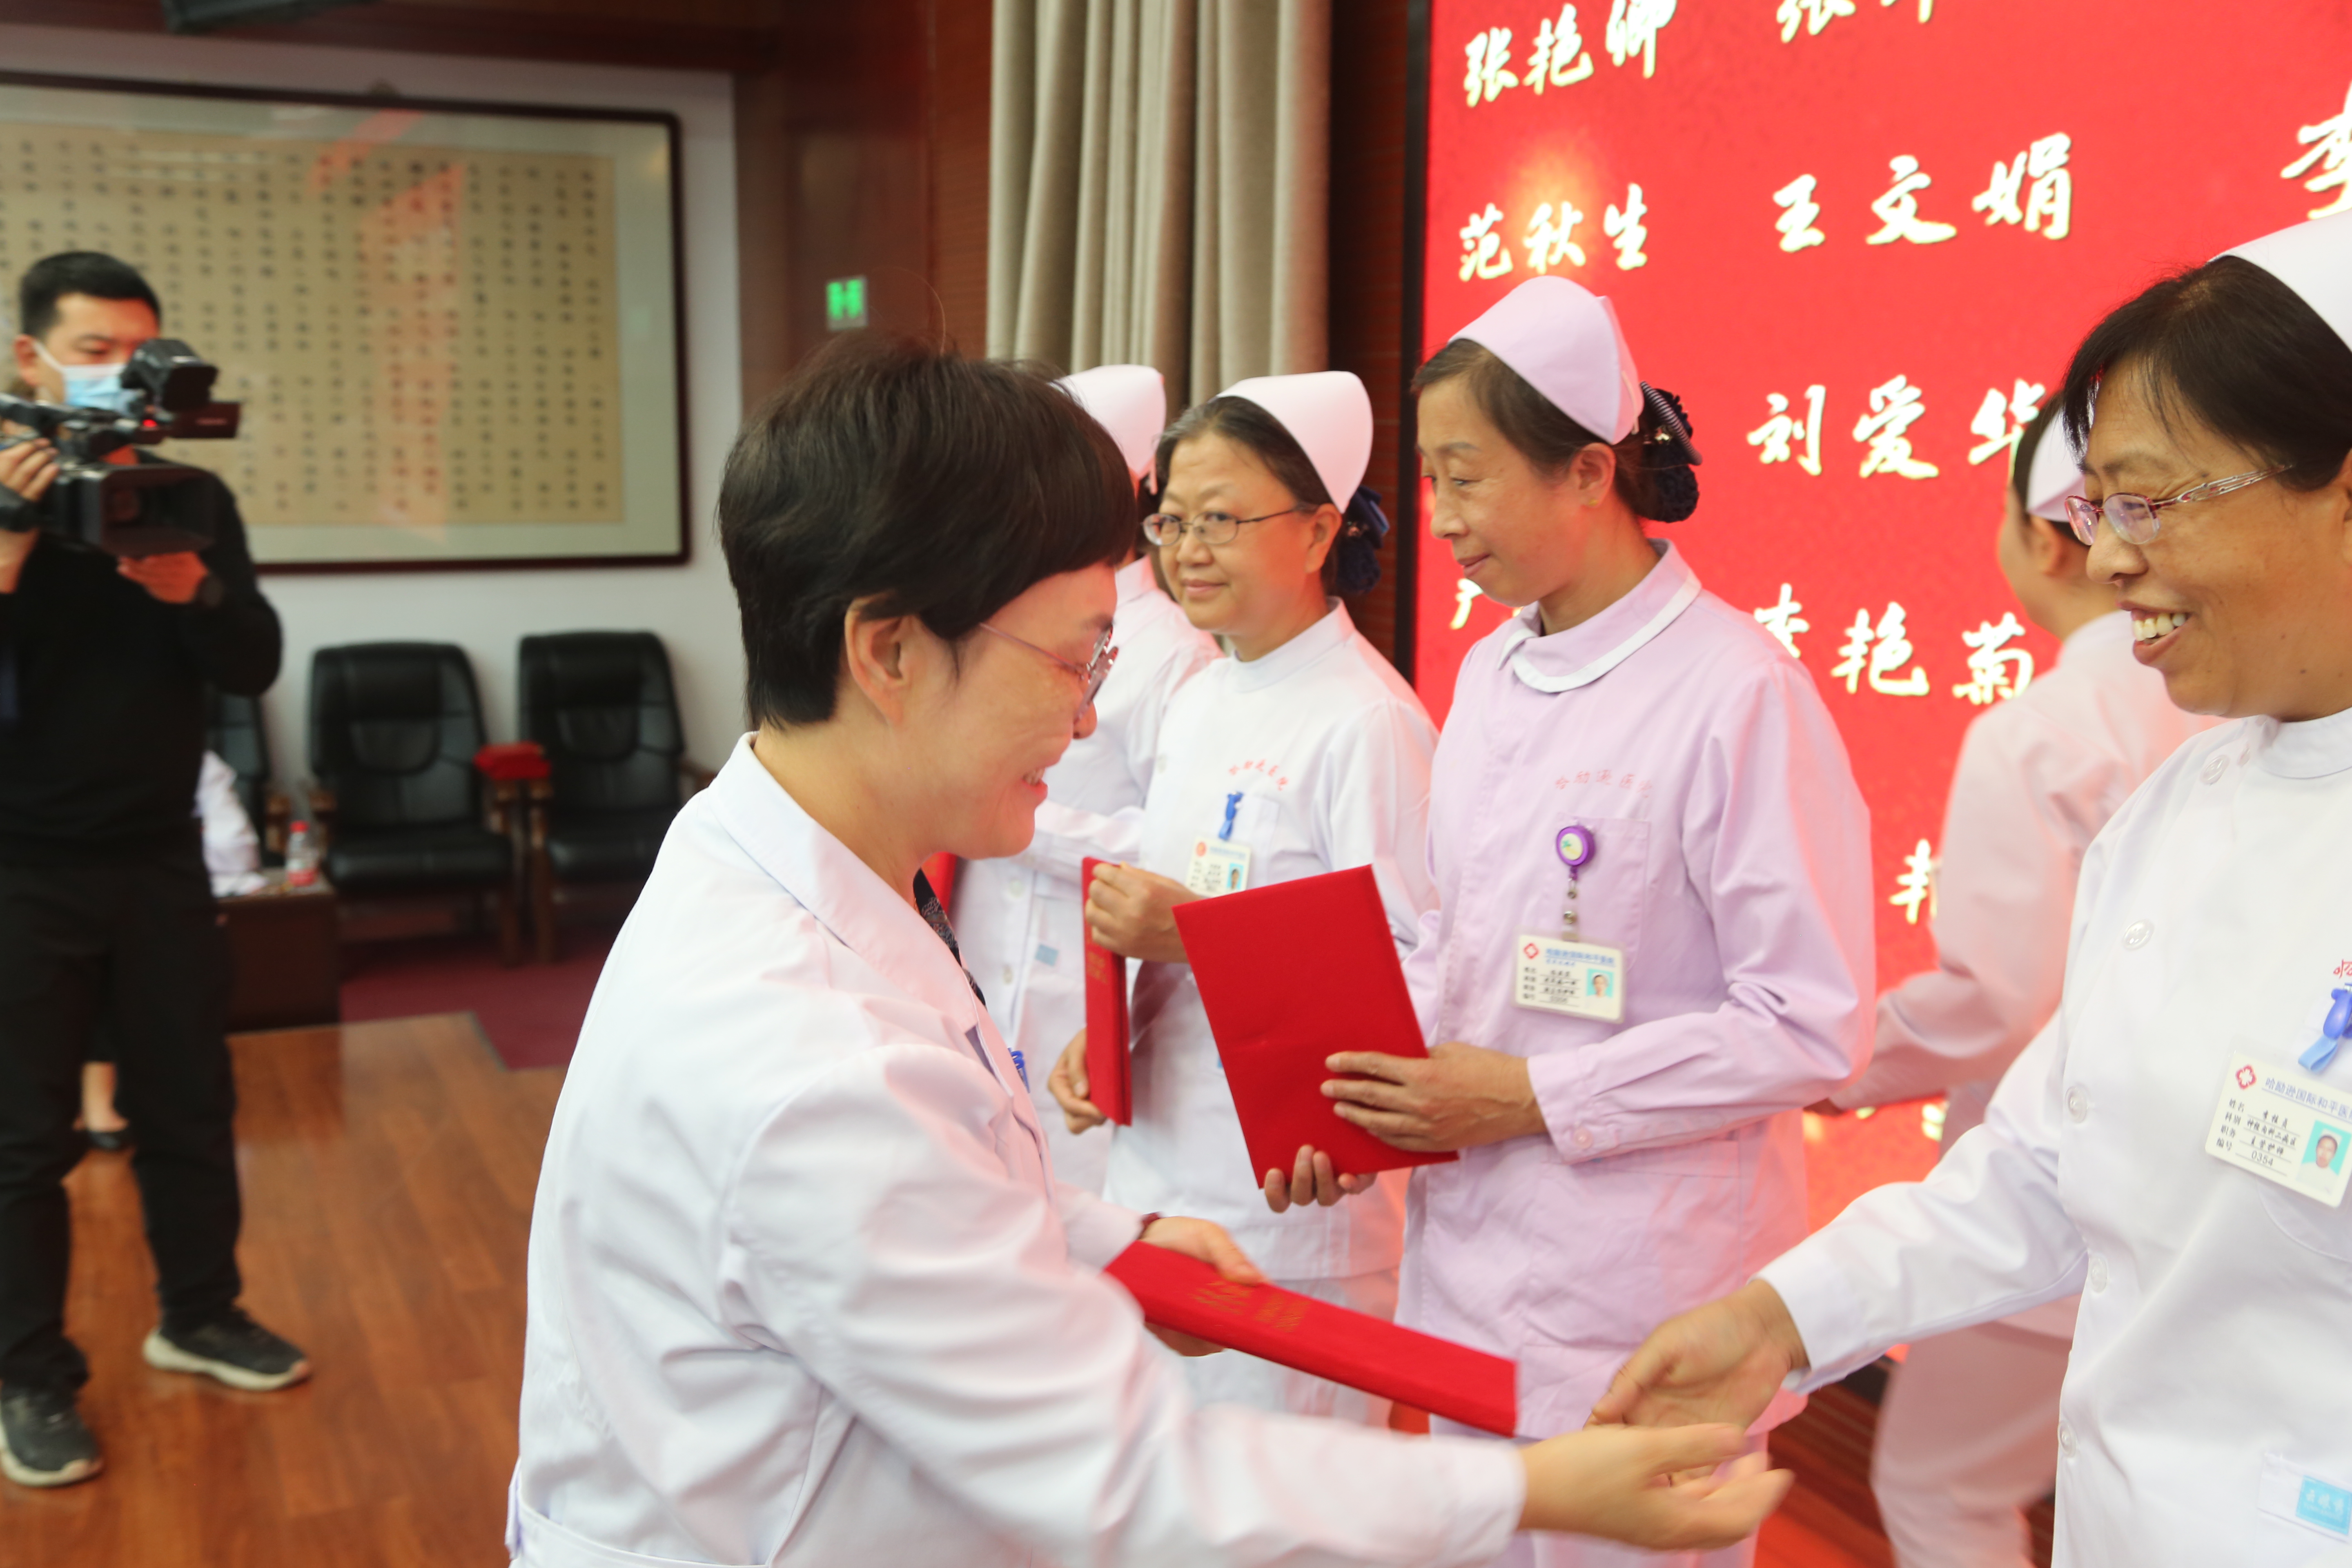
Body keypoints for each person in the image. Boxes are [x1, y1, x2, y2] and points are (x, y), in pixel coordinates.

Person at [510, 332, 1793, 1567]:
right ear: (890, 650)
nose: (1086, 719)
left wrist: (1097, 1240)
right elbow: (1124, 1474)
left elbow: (933, 1180)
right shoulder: (807, 1057)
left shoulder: (761, 854)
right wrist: (1534, 1486)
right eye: (1075, 658)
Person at [1592, 210, 2352, 1567]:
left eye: (2149, 502)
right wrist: (1783, 1316)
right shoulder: (2186, 803)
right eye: (2096, 509)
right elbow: (2049, 1158)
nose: (2107, 560)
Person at [1267, 275, 1873, 1568]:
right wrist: (1366, 1104)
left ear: (1590, 472)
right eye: (1430, 480)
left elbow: (1809, 1023)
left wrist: (1535, 1097)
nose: (1441, 519)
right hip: (1469, 1273)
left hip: (1645, 1299)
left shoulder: (1739, 692)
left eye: (1466, 478)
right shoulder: (1491, 669)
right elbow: (1455, 942)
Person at [1828, 404, 2212, 1568]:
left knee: (1938, 1488)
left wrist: (1823, 1063)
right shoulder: (2223, 702)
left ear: (2047, 537)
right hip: (2199, 1207)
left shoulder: (2040, 729)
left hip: (2052, 1202)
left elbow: (1991, 1005)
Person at [1047, 370, 1437, 1423]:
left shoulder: (1366, 722)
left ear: (1317, 531)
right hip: (1156, 1182)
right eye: (1171, 520)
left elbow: (1414, 974)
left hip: (1288, 1208)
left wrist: (1195, 934)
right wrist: (1111, 1035)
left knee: (1286, 1499)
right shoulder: (1205, 694)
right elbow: (1173, 920)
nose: (1187, 549)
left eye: (1219, 520)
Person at [0, 251, 307, 1490]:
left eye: (139, 352)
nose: (118, 373)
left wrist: (196, 590)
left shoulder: (188, 494)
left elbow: (254, 662)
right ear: (29, 358)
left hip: (160, 854)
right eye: (92, 350)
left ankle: (200, 1311)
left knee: (188, 1104)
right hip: (19, 868)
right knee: (23, 1141)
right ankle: (28, 1375)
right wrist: (9, 546)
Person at [951, 364, 1216, 1191]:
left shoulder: (1174, 652)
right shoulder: (1004, 622)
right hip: (981, 950)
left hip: (1085, 982)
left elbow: (1174, 847)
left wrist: (1017, 818)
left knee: (1072, 1199)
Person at [76, 747, 267, 1156]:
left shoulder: (192, 759)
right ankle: (93, 1092)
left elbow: (236, 850)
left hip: (163, 896)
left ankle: (114, 1089)